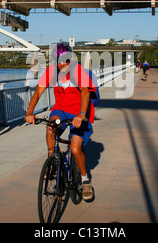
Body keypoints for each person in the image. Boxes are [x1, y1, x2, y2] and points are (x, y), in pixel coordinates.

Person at [25, 43, 95, 201]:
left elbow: (85, 92)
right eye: (59, 60)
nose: (63, 64)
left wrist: (82, 114)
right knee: (51, 128)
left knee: (75, 149)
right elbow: (38, 93)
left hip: (80, 113)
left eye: (66, 60)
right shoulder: (51, 72)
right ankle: (53, 160)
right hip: (61, 110)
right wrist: (29, 112)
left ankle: (85, 181)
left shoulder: (78, 72)